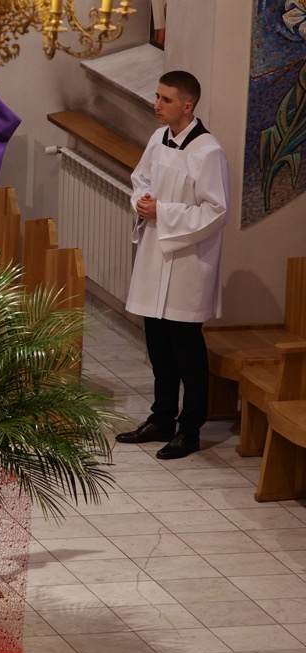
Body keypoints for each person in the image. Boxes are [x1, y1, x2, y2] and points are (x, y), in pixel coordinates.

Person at [116, 70, 229, 460]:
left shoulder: (208, 151)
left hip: (186, 263)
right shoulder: (157, 138)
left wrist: (161, 211)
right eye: (157, 97)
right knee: (159, 347)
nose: (157, 105)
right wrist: (143, 202)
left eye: (166, 99)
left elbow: (216, 211)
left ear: (187, 105)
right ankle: (161, 418)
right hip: (155, 256)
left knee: (187, 352)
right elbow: (140, 179)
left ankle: (189, 430)